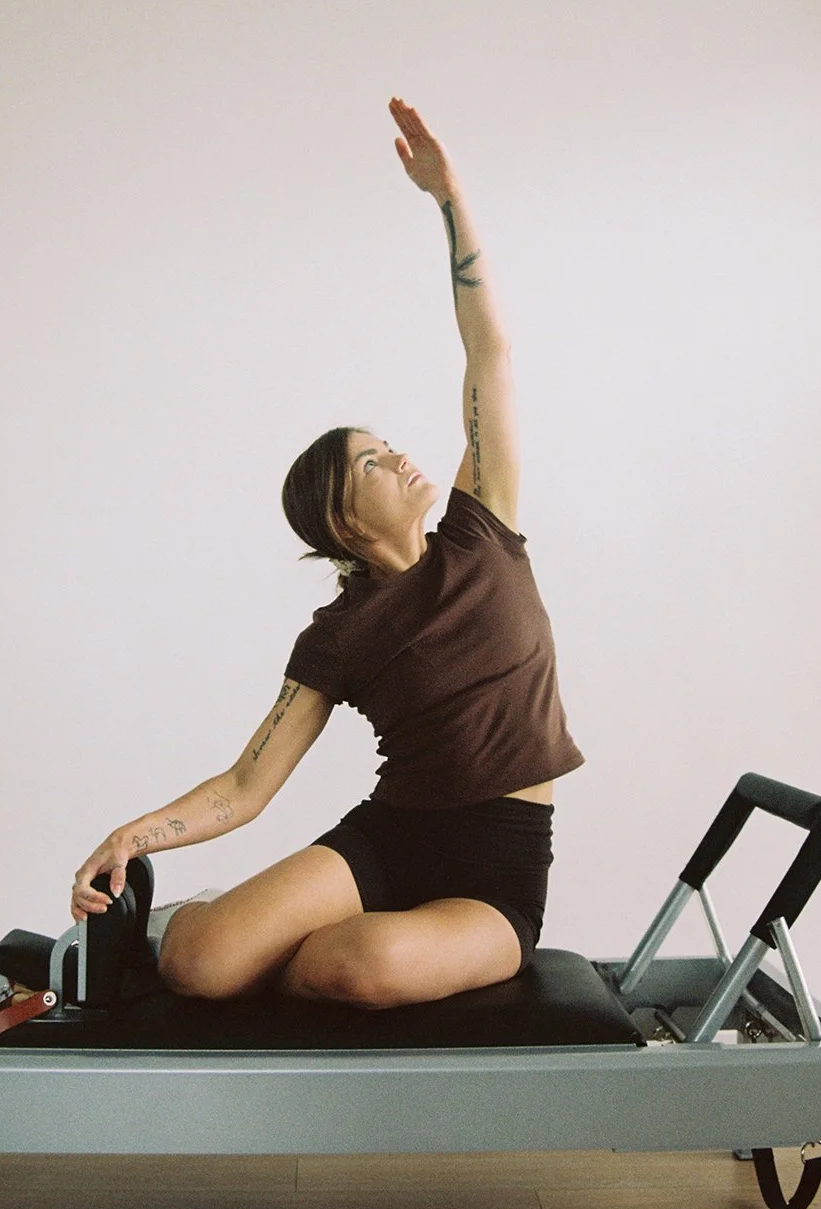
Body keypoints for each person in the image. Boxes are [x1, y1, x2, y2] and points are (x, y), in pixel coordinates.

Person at [71, 98, 583, 1010]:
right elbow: (244, 784)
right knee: (198, 962)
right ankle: (213, 916)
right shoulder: (337, 634)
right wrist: (132, 838)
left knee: (346, 965)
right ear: (343, 523)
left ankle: (313, 941)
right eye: (373, 462)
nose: (400, 457)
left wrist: (450, 198)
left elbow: (490, 354)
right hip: (390, 839)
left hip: (495, 870)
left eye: (387, 444)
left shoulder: (482, 528)